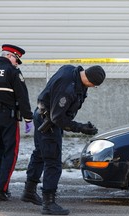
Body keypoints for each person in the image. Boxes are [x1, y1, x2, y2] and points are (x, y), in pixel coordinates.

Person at [21, 64, 106, 215]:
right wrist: (81, 128)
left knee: (40, 153)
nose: (92, 88)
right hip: (49, 123)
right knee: (53, 162)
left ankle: (29, 191)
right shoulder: (68, 89)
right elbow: (57, 118)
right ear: (90, 80)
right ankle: (49, 202)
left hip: (41, 115)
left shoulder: (70, 70)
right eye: (94, 85)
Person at [0, 44, 33, 201]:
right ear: (10, 56)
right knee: (11, 152)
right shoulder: (13, 72)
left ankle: (1, 187)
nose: (17, 63)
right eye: (16, 60)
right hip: (7, 117)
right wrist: (28, 118)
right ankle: (0, 186)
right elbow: (22, 96)